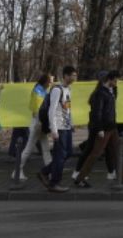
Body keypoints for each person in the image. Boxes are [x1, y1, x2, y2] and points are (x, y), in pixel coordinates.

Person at [74, 70, 123, 187]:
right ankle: (80, 178)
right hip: (104, 128)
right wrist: (99, 129)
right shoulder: (100, 94)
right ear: (109, 80)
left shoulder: (111, 91)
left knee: (117, 152)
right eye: (115, 80)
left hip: (112, 127)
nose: (117, 83)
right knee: (96, 153)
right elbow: (97, 113)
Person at [37, 65, 77, 193]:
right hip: (59, 128)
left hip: (66, 127)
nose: (75, 77)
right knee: (60, 156)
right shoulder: (57, 90)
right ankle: (54, 183)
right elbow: (51, 111)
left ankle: (44, 172)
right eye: (73, 75)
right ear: (66, 76)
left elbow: (67, 108)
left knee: (68, 153)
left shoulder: (68, 89)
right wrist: (53, 130)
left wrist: (71, 123)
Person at [13, 72, 54, 181]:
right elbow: (37, 109)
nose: (52, 83)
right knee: (30, 148)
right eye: (51, 81)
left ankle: (50, 171)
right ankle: (17, 171)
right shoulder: (38, 91)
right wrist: (40, 123)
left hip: (39, 123)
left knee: (45, 149)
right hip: (38, 123)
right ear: (46, 81)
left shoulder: (41, 90)